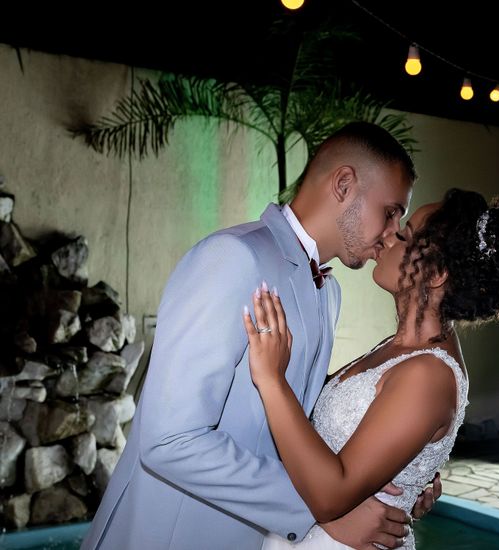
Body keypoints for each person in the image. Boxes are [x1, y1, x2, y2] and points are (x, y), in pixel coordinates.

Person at [82, 122, 440, 550]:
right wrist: (318, 514)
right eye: (390, 211)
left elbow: (297, 422)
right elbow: (169, 440)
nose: (393, 231)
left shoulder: (330, 292)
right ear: (344, 184)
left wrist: (400, 468)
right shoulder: (232, 258)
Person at [243, 188, 499, 548]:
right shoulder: (400, 348)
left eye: (406, 236)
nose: (388, 237)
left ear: (437, 273)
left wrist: (272, 380)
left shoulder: (427, 375)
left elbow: (330, 495)